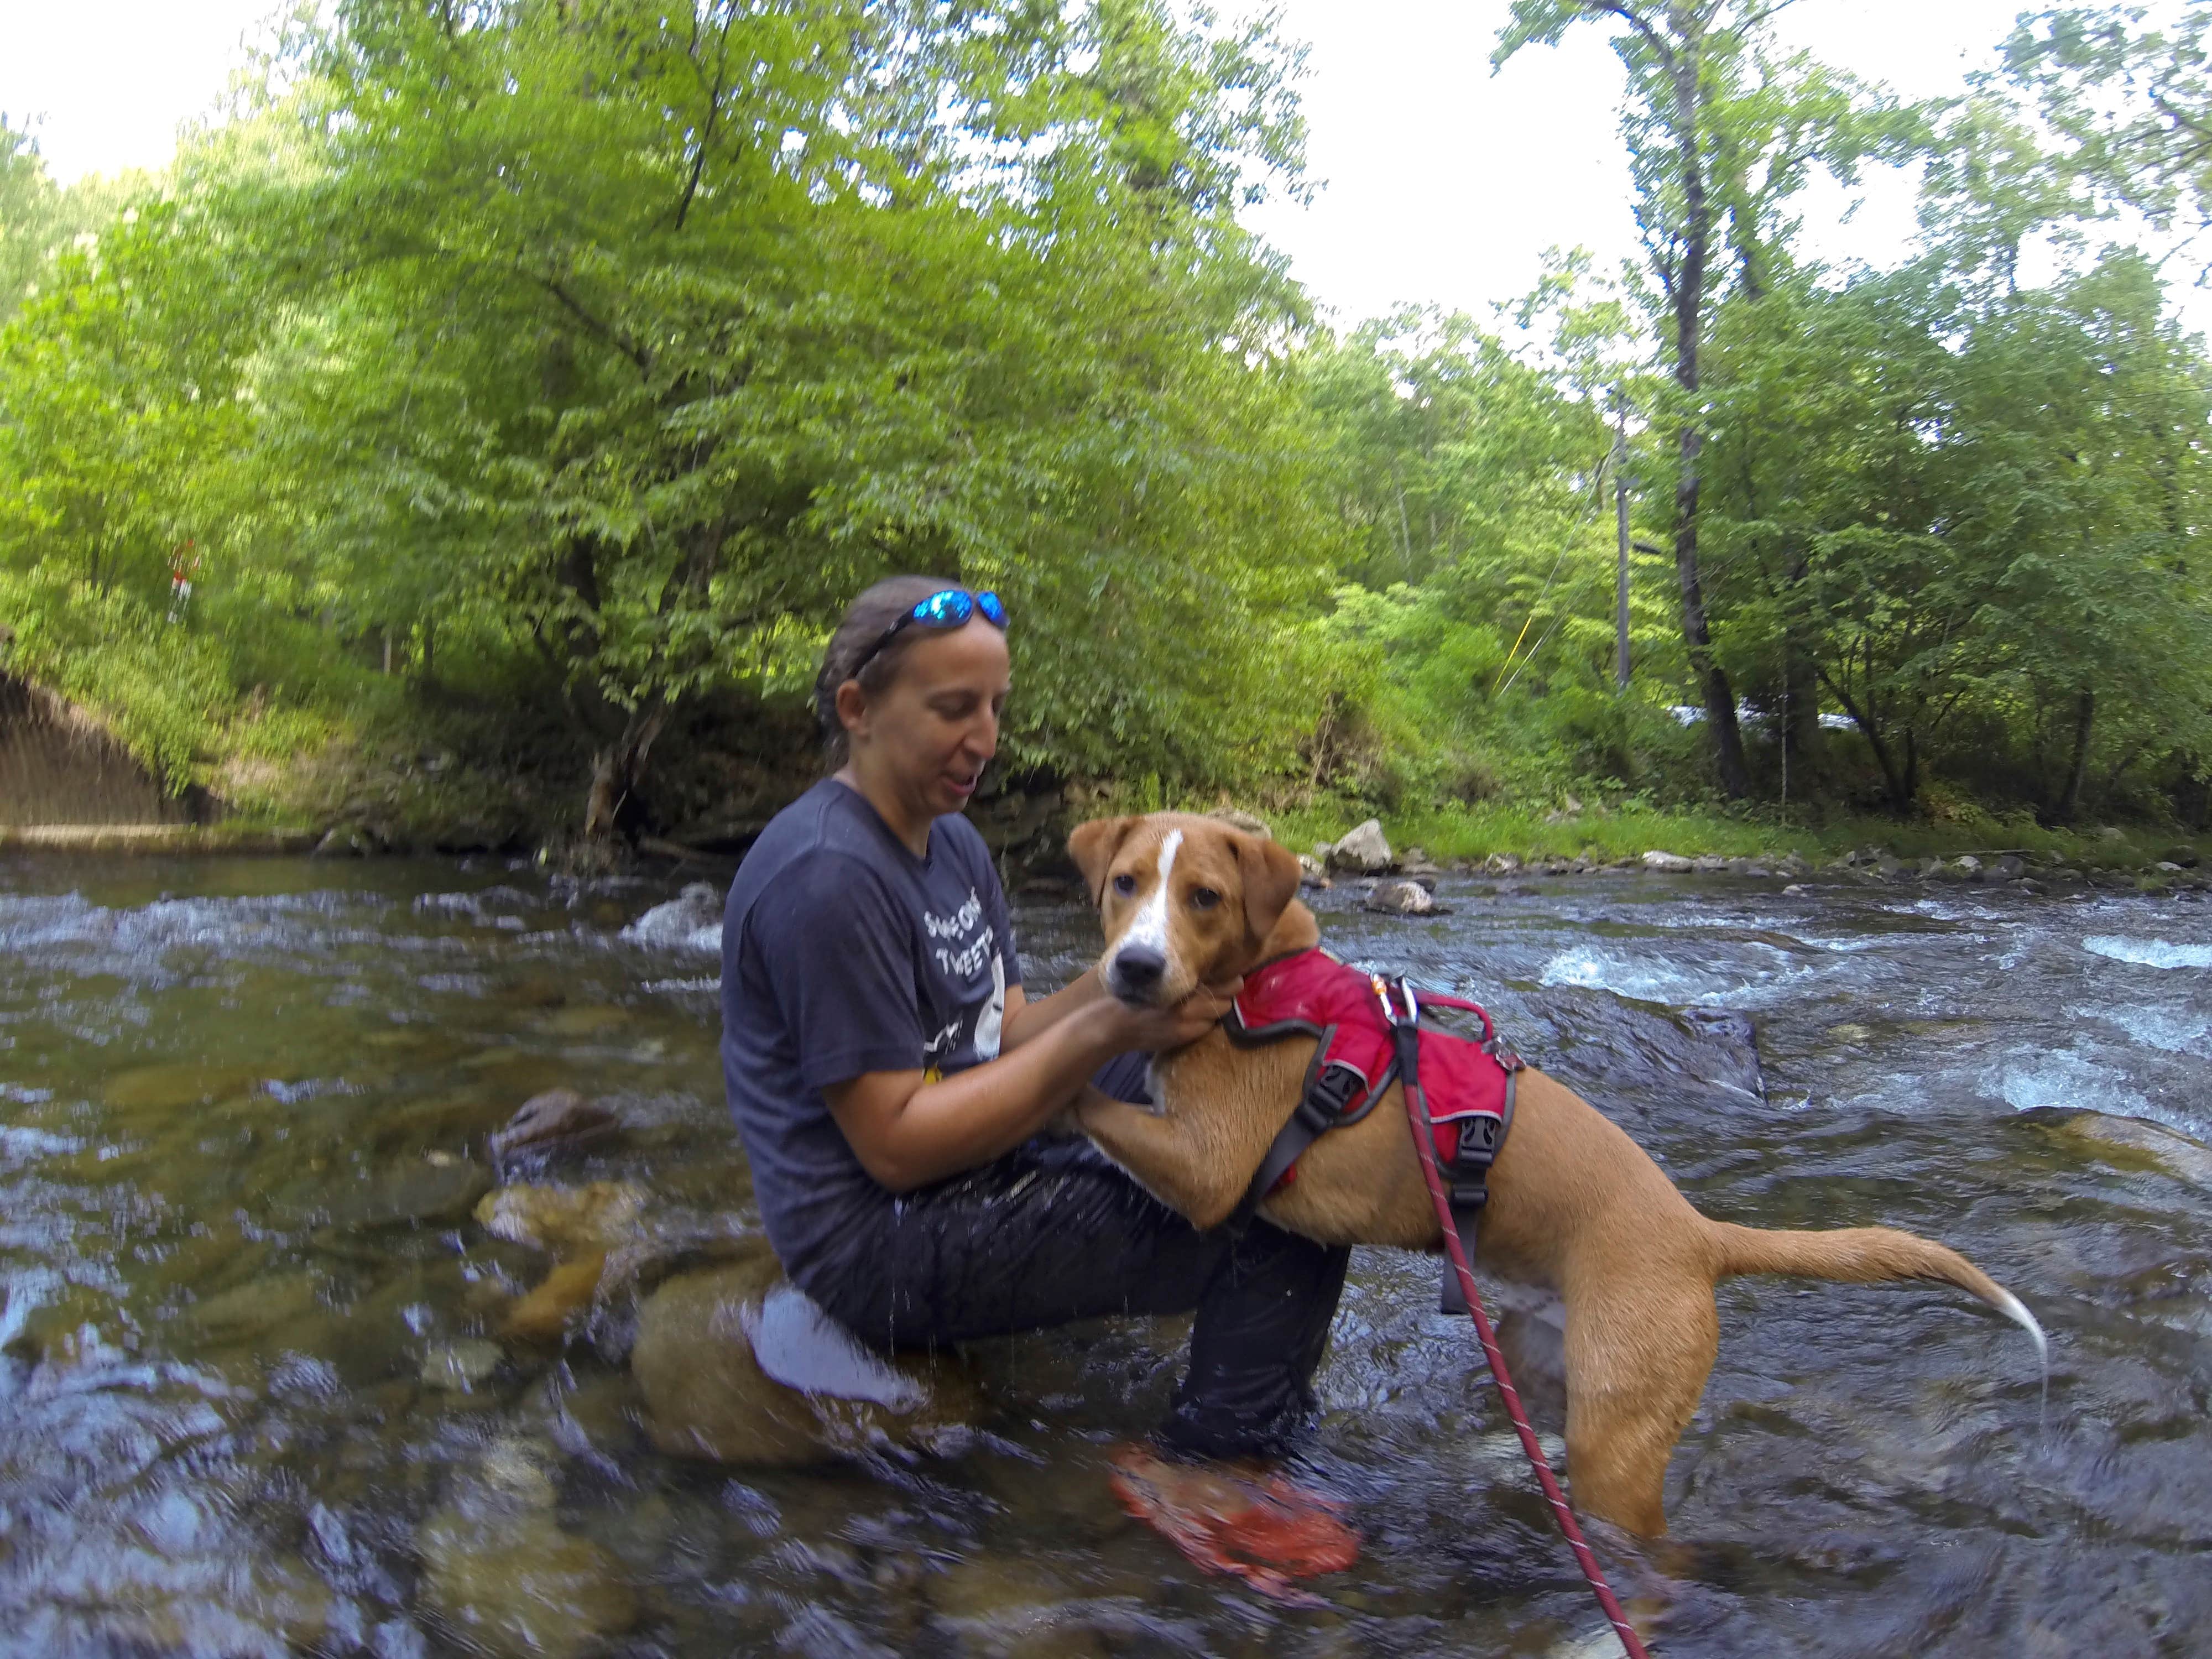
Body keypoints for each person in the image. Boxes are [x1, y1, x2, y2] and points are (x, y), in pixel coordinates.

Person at [718, 575, 1352, 1498]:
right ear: (857, 709)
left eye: (995, 706)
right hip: (875, 1241)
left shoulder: (954, 842)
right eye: (952, 709)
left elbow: (1007, 1033)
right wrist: (1103, 1030)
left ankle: (1220, 1405)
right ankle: (1216, 1470)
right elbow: (895, 1148)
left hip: (981, 1151)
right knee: (1285, 1213)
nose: (985, 738)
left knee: (1284, 1123)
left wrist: (1161, 961)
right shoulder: (826, 880)